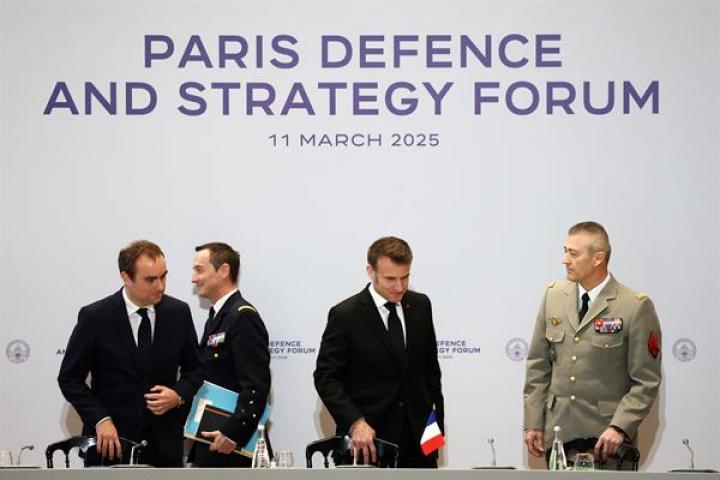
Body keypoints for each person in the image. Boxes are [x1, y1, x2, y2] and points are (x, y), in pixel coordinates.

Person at [523, 222, 662, 463]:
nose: (565, 260)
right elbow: (538, 366)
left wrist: (620, 427)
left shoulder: (634, 306)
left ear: (598, 258)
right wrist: (533, 422)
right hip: (559, 438)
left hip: (606, 443)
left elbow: (646, 381)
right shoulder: (553, 296)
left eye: (573, 253)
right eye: (565, 251)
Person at [58, 240, 204, 467]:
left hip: (164, 448)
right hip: (111, 446)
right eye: (150, 279)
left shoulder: (178, 312)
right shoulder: (95, 317)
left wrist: (178, 395)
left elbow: (195, 369)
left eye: (163, 276)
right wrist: (100, 419)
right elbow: (69, 378)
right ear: (126, 277)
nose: (161, 286)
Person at [314, 236, 444, 468]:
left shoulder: (421, 306)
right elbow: (326, 378)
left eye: (405, 277)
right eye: (390, 279)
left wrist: (435, 433)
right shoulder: (346, 315)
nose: (399, 287)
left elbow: (431, 373)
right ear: (370, 272)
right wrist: (355, 421)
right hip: (368, 445)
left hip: (420, 445)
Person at [190, 242, 271, 467]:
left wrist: (233, 433)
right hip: (213, 442)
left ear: (224, 270)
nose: (194, 279)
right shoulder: (217, 316)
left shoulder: (242, 316)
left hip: (232, 449)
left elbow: (255, 386)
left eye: (199, 270)